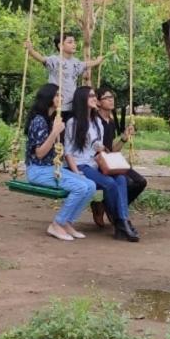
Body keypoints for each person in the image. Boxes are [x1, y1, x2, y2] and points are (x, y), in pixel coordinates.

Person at [65, 86, 140, 242]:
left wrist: (101, 147)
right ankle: (121, 222)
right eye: (91, 96)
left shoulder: (96, 123)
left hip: (94, 163)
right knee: (110, 184)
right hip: (80, 165)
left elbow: (99, 147)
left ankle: (122, 222)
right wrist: (75, 172)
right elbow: (68, 151)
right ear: (82, 100)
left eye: (94, 95)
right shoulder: (73, 122)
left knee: (120, 179)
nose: (94, 98)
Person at [24, 83, 97, 241]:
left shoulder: (52, 119)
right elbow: (40, 153)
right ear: (48, 98)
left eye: (61, 95)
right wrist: (55, 133)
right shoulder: (39, 121)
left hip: (52, 168)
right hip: (38, 170)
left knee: (90, 186)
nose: (61, 98)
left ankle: (67, 222)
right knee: (79, 187)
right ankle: (57, 223)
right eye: (57, 95)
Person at [91, 85, 147, 227]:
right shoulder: (94, 121)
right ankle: (104, 207)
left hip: (109, 160)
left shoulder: (110, 122)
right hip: (95, 162)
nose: (111, 100)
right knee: (113, 182)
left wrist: (123, 138)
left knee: (140, 182)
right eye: (107, 98)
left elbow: (112, 150)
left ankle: (111, 208)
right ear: (98, 102)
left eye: (112, 97)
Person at [26, 34, 105, 123]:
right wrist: (31, 50)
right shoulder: (55, 60)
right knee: (57, 131)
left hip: (72, 106)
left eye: (74, 42)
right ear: (60, 46)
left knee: (69, 131)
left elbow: (86, 64)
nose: (74, 44)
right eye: (70, 42)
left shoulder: (76, 62)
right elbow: (41, 59)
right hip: (57, 106)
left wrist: (98, 61)